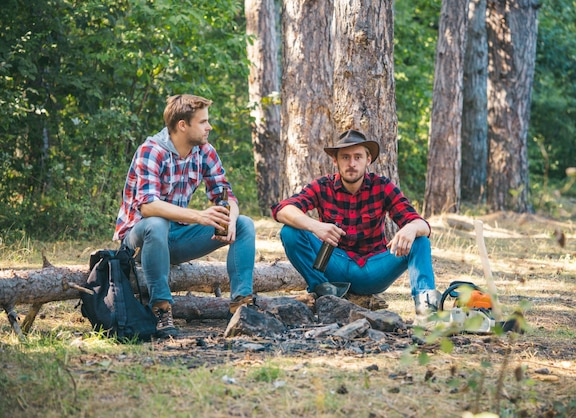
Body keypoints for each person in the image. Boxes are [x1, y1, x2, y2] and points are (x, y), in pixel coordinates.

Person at [113, 94, 256, 337]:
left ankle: (242, 307)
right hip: (138, 241)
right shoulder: (152, 151)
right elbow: (148, 207)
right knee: (156, 224)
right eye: (203, 122)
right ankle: (161, 309)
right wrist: (199, 216)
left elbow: (226, 193)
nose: (209, 127)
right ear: (182, 125)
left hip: (177, 237)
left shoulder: (204, 151)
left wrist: (230, 216)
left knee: (244, 224)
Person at [271, 129, 439, 319]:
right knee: (290, 232)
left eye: (358, 157)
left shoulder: (381, 186)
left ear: (368, 160)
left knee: (420, 241)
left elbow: (422, 225)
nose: (352, 163)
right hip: (332, 265)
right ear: (335, 160)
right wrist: (314, 226)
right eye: (345, 157)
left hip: (372, 270)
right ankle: (324, 293)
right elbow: (282, 209)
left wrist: (411, 227)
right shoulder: (323, 186)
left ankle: (427, 312)